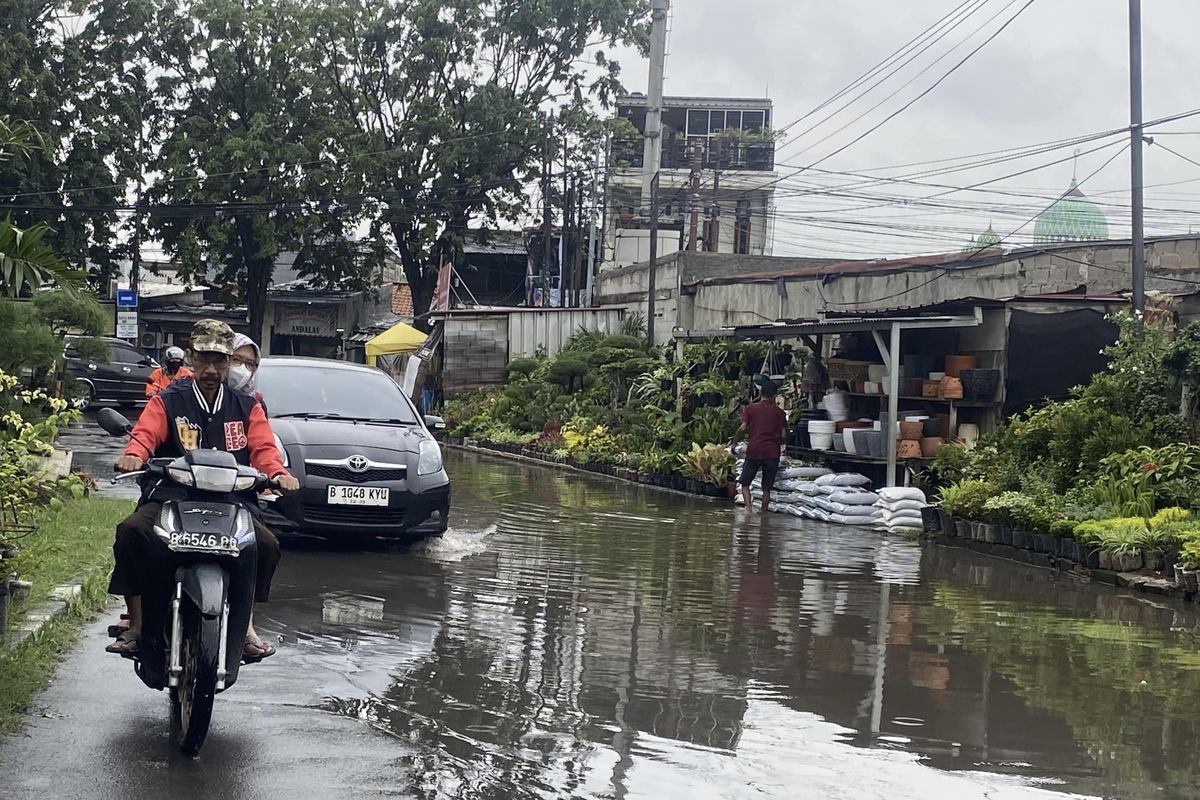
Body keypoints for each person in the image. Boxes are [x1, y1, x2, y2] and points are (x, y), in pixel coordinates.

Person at [106, 319, 300, 659]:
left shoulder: (247, 405)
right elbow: (145, 435)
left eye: (220, 360)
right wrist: (134, 456)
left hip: (232, 500)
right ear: (191, 358)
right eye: (204, 358)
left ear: (229, 362)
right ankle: (136, 625)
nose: (212, 368)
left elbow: (264, 449)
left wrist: (278, 473)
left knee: (265, 545)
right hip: (171, 495)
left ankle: (247, 627)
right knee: (131, 532)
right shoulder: (167, 400)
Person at [730, 381, 788, 514]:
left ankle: (748, 510)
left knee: (745, 483)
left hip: (755, 449)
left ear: (761, 393)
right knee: (766, 488)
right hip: (772, 452)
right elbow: (784, 435)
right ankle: (763, 514)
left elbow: (743, 428)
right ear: (775, 395)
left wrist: (734, 442)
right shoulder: (780, 413)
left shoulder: (751, 409)